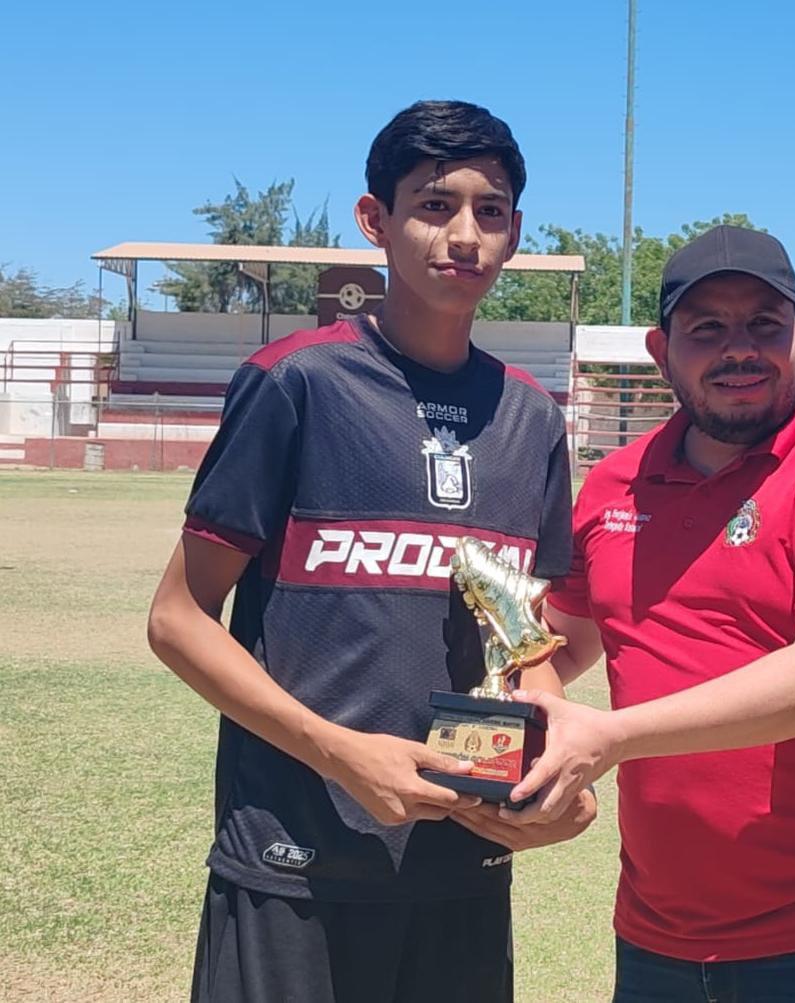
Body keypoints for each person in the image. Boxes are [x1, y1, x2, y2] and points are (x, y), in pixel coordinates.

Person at [147, 99, 595, 1003]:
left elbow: (522, 642)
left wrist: (554, 764)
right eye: (433, 205)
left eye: (490, 211)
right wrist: (339, 752)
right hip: (295, 864)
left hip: (463, 868)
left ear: (514, 233)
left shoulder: (530, 418)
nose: (464, 234)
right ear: (374, 219)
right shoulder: (295, 381)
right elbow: (177, 619)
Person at [506, 226, 795, 1001]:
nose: (738, 349)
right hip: (656, 932)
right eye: (706, 328)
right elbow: (558, 644)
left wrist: (608, 735)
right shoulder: (613, 484)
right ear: (660, 351)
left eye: (763, 324)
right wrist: (517, 716)